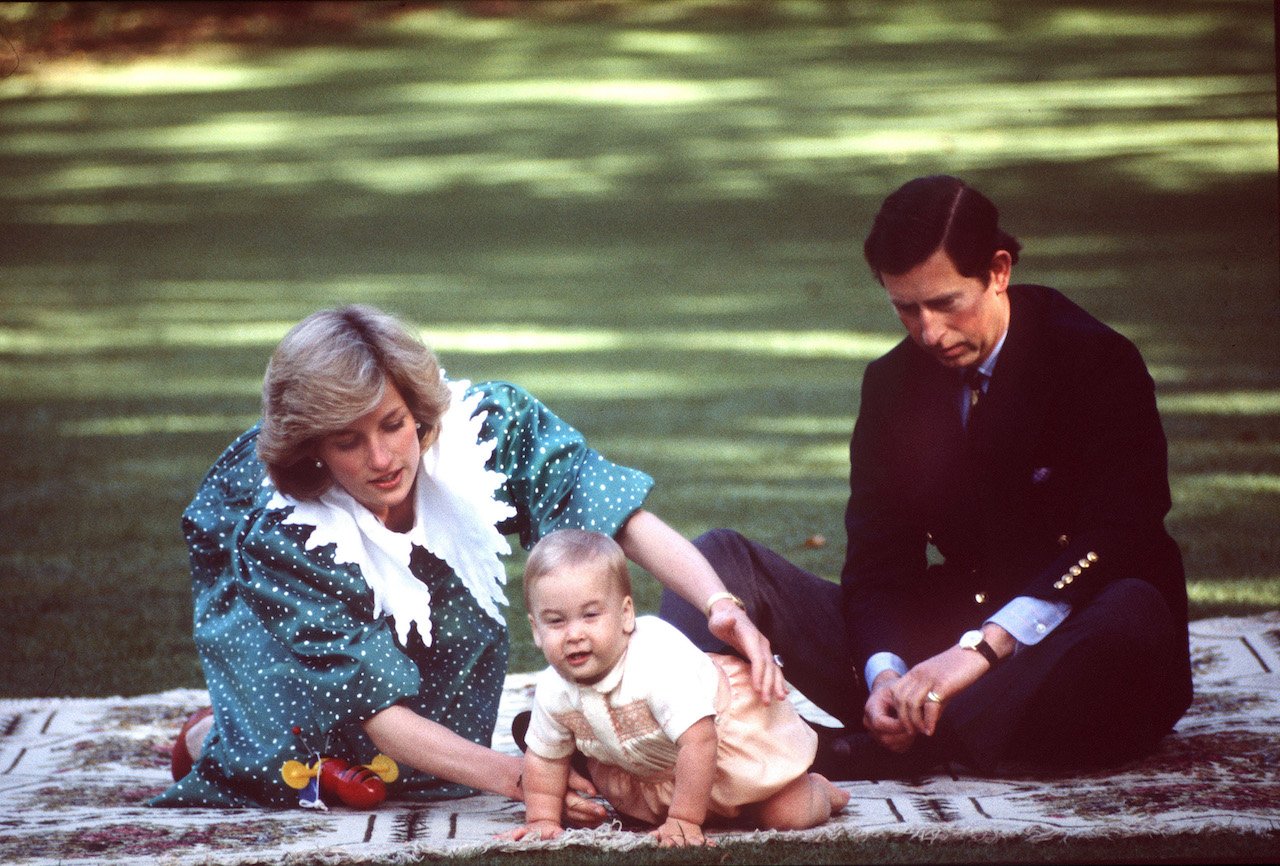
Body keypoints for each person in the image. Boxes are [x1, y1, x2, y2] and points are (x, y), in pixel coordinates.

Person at [152, 304, 785, 812]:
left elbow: (612, 516)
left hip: (430, 628)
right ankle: (209, 736)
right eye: (349, 441)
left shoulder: (490, 430)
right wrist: (523, 779)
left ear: (418, 411)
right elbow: (373, 705)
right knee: (283, 746)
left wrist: (718, 603)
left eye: (394, 424)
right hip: (297, 614)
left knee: (417, 775)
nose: (382, 458)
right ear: (315, 447)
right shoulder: (279, 527)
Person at [660, 175, 1193, 778]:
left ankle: (831, 751)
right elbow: (880, 560)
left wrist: (983, 651)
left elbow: (1124, 532)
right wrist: (885, 672)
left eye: (945, 303)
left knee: (1132, 611)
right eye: (905, 308)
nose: (929, 332)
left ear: (998, 271)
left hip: (1067, 642)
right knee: (719, 560)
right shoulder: (891, 384)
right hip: (937, 651)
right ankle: (658, 731)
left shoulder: (1094, 360)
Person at [505, 529, 848, 847]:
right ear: (536, 630)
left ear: (626, 615)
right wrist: (543, 818)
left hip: (723, 744)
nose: (574, 633)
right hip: (660, 769)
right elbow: (544, 758)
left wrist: (683, 820)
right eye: (556, 621)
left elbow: (700, 741)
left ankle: (822, 791)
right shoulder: (554, 687)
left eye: (591, 615)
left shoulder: (655, 660)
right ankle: (702, 809)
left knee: (788, 815)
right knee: (644, 814)